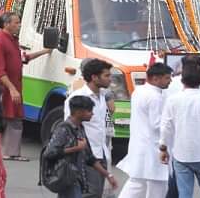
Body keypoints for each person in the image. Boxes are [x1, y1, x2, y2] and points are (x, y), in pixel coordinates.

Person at [0, 10, 52, 161]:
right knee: (9, 119)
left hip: (13, 86)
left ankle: (8, 151)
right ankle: (7, 152)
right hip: (5, 87)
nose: (19, 25)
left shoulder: (12, 40)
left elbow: (23, 58)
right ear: (6, 24)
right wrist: (11, 89)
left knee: (13, 118)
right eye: (16, 22)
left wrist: (45, 51)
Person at [158, 64, 200, 198]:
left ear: (182, 80)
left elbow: (166, 127)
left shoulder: (173, 100)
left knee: (184, 194)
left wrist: (163, 148)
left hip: (181, 154)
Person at [46, 95, 118, 198]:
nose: (92, 114)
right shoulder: (64, 129)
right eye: (89, 111)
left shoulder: (80, 128)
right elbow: (49, 152)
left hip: (77, 179)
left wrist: (108, 175)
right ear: (79, 112)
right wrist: (76, 148)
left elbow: (89, 157)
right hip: (67, 179)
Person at [117, 63, 172, 198]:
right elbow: (157, 124)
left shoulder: (139, 91)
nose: (170, 81)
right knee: (158, 186)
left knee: (137, 184)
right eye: (167, 78)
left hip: (140, 145)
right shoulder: (155, 97)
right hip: (153, 148)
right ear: (155, 79)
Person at [64, 58, 113, 198]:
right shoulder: (78, 97)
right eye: (106, 76)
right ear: (94, 77)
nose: (110, 79)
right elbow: (69, 126)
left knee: (96, 193)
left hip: (101, 151)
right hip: (85, 154)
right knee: (90, 192)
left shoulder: (102, 97)